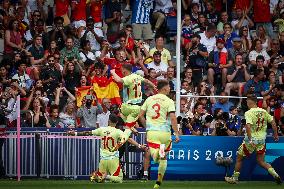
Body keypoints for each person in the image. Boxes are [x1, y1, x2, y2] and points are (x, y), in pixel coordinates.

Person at [225, 95, 282, 184]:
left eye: (247, 101)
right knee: (261, 161)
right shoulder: (264, 111)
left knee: (239, 158)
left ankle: (234, 178)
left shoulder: (248, 113)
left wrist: (251, 140)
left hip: (251, 140)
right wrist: (275, 135)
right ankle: (275, 174)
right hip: (262, 140)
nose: (247, 103)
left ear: (250, 102)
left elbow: (248, 126)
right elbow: (273, 123)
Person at [138, 80, 180, 189]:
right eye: (169, 87)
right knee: (163, 157)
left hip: (153, 133)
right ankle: (159, 181)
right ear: (165, 88)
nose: (170, 89)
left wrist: (147, 126)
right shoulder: (169, 101)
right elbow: (173, 118)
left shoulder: (149, 99)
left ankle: (158, 153)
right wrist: (176, 133)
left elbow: (140, 116)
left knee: (155, 157)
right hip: (165, 133)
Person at [67, 114, 131, 183]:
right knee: (119, 179)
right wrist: (129, 131)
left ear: (108, 121)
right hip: (113, 159)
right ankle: (106, 176)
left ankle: (96, 176)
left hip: (103, 159)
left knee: (100, 179)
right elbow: (124, 138)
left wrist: (75, 133)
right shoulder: (118, 131)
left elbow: (88, 133)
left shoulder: (102, 129)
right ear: (117, 122)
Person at [110, 64, 156, 134]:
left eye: (121, 70)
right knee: (127, 124)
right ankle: (134, 128)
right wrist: (154, 86)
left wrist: (113, 72)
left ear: (124, 70)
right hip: (138, 107)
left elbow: (118, 80)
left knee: (116, 111)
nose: (121, 71)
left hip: (129, 106)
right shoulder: (137, 76)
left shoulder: (128, 78)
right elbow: (146, 81)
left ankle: (131, 127)